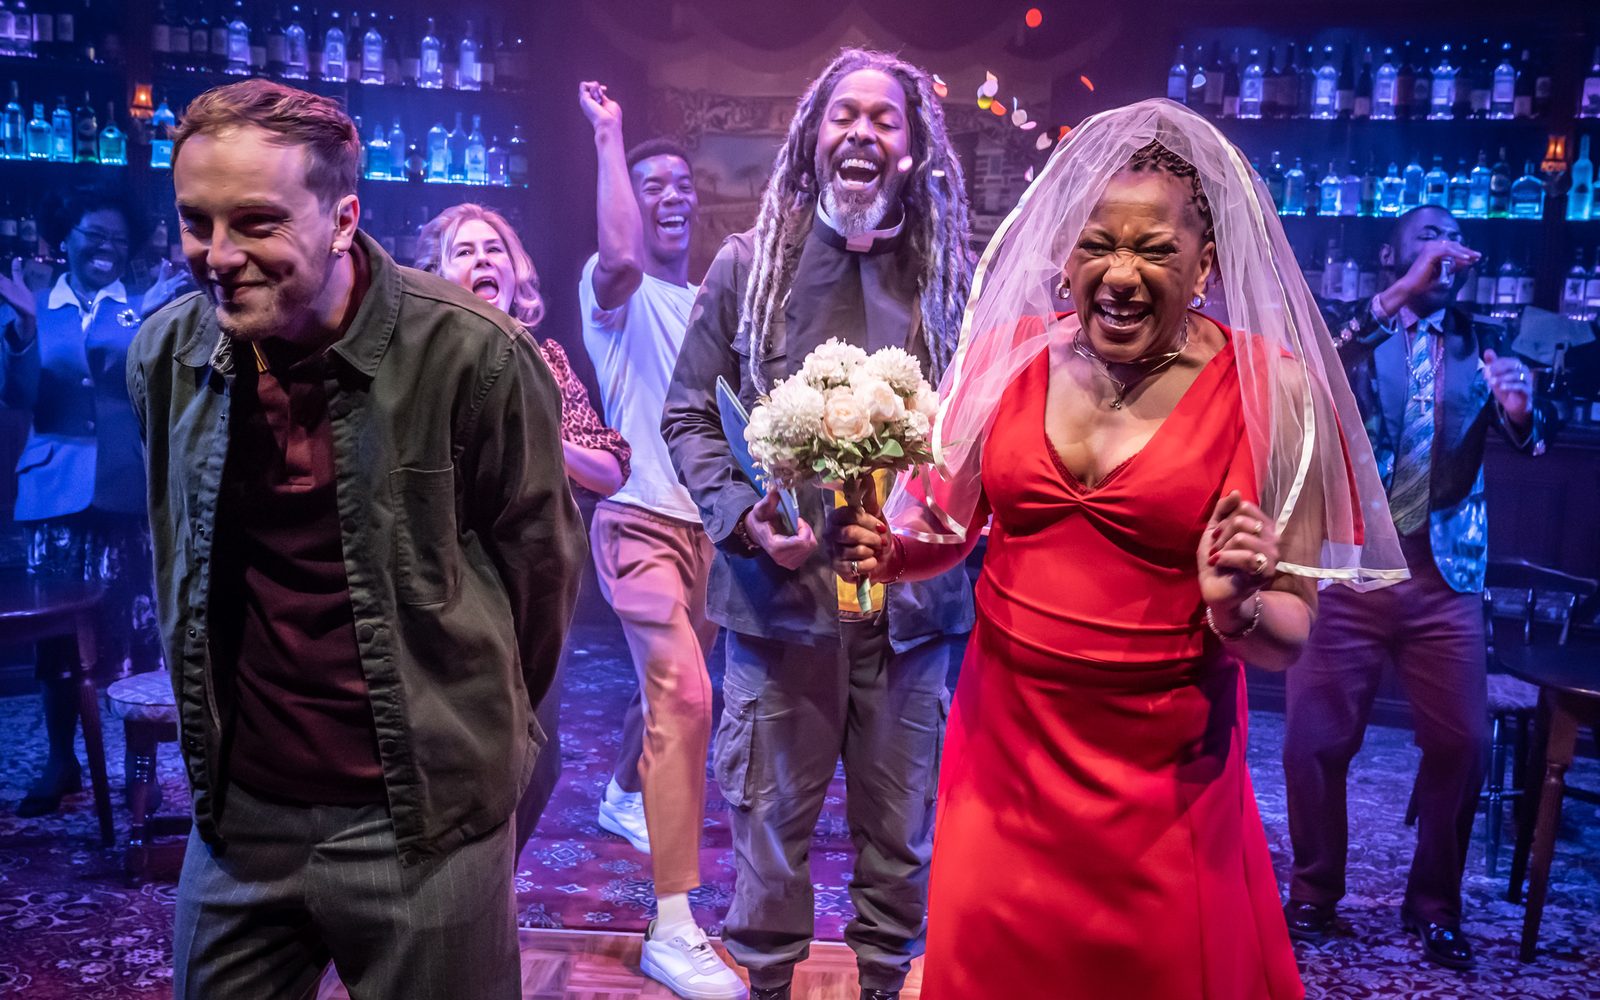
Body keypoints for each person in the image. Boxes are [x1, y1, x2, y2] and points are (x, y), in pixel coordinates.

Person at [829, 99, 1408, 999]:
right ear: (1064, 255)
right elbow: (949, 530)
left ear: (1207, 264)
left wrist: (1236, 606)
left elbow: (1289, 633)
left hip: (1163, 784)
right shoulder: (1008, 357)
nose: (1121, 274)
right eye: (1097, 245)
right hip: (1003, 755)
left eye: (1155, 250)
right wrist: (889, 555)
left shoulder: (1273, 393)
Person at [128, 79, 584, 999]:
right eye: (195, 222)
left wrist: (478, 759)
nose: (217, 256)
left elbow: (543, 581)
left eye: (255, 222)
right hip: (240, 818)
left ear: (343, 219)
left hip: (419, 822)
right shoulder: (167, 355)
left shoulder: (476, 357)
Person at [662, 49, 976, 1000]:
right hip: (778, 612)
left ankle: (885, 984)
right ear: (812, 138)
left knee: (902, 836)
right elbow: (686, 416)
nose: (863, 134)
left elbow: (985, 436)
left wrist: (928, 536)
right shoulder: (746, 268)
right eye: (846, 116)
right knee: (766, 834)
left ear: (915, 148)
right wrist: (745, 520)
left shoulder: (953, 277)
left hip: (908, 623)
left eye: (886, 120)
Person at [1282, 205, 1545, 969]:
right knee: (1312, 742)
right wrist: (1399, 293)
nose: (1441, 245)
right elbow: (1321, 351)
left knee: (1462, 742)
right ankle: (1313, 893)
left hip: (1446, 578)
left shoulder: (1484, 342)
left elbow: (1535, 439)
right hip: (1352, 568)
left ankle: (1434, 905)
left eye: (1449, 234)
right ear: (1392, 256)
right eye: (1423, 234)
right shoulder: (1351, 333)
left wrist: (1524, 414)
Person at [577, 80, 741, 999]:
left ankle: (619, 792)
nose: (672, 193)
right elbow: (617, 251)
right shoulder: (618, 290)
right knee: (685, 693)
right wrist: (612, 138)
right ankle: (671, 925)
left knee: (665, 687)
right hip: (636, 520)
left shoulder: (710, 301)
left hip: (708, 529)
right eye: (653, 184)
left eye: (683, 183)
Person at [415, 201, 642, 859]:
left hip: (537, 588)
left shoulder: (545, 360)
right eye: (465, 251)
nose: (484, 260)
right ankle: (448, 911)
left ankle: (485, 896)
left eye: (495, 250)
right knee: (460, 757)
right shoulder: (418, 361)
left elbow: (608, 466)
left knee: (537, 763)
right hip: (447, 584)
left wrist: (542, 427)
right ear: (432, 273)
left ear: (518, 273)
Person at [0, 185, 187, 817]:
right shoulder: (33, 305)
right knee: (57, 642)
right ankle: (61, 762)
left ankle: (137, 771)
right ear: (66, 239)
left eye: (117, 239)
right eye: (92, 236)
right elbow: (20, 396)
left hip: (124, 492)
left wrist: (154, 320)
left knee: (131, 638)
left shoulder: (139, 307)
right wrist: (23, 330)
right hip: (53, 496)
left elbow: (153, 388)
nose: (105, 249)